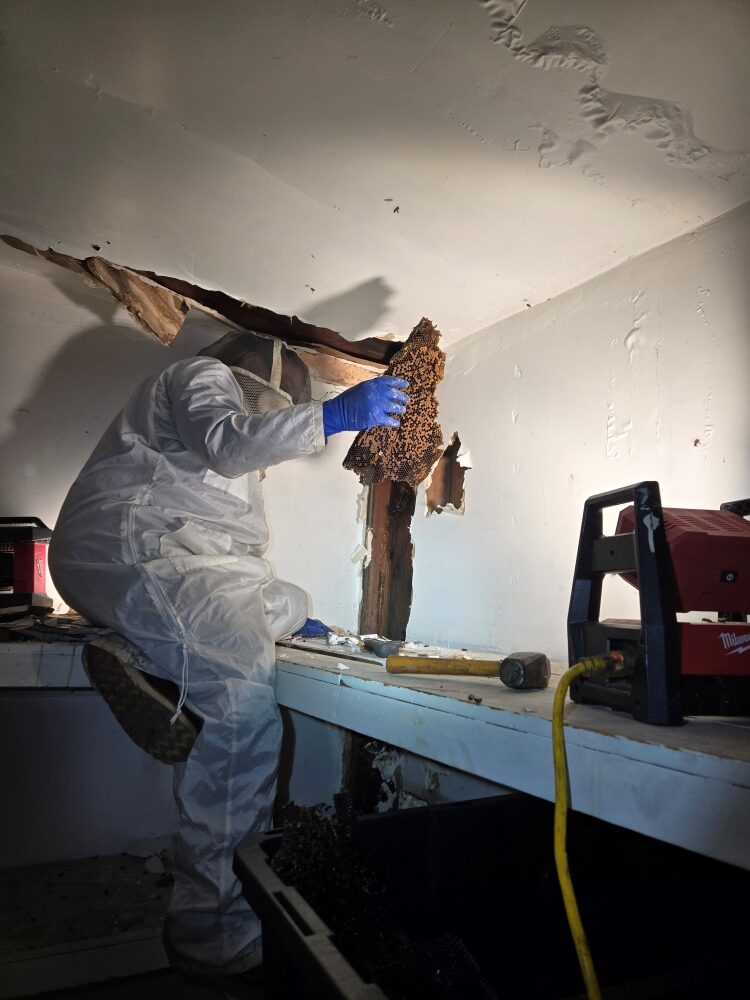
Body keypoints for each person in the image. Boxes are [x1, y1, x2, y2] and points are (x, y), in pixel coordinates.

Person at [48, 329, 408, 987]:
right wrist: (337, 415)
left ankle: (137, 646)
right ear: (249, 365)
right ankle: (212, 933)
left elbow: (234, 552)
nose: (290, 396)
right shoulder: (196, 380)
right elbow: (229, 441)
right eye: (288, 386)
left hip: (179, 567)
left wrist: (292, 614)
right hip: (136, 550)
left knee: (284, 599)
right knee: (243, 706)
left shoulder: (240, 459)